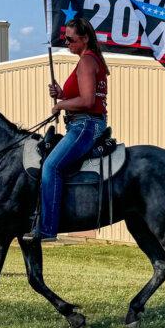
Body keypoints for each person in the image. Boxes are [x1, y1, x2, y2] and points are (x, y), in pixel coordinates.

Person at [23, 17, 110, 242]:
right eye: (64, 39)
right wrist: (63, 94)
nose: (66, 43)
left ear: (85, 38)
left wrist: (60, 104)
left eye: (70, 39)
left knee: (51, 166)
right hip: (87, 123)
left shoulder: (87, 62)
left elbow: (88, 100)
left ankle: (47, 229)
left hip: (84, 125)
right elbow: (82, 96)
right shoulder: (91, 60)